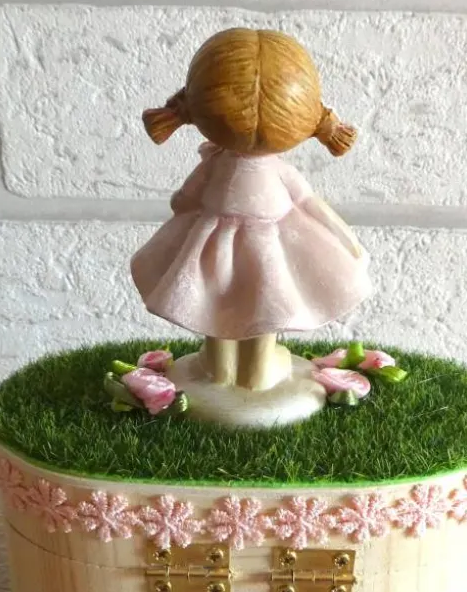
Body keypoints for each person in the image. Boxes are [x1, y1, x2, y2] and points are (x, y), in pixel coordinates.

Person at [132, 27, 371, 392]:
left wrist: (188, 212)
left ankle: (220, 369)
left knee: (217, 305)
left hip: (211, 247)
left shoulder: (215, 165)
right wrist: (342, 234)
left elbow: (183, 200)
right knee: (263, 307)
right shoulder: (276, 171)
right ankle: (254, 372)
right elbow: (308, 202)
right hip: (269, 251)